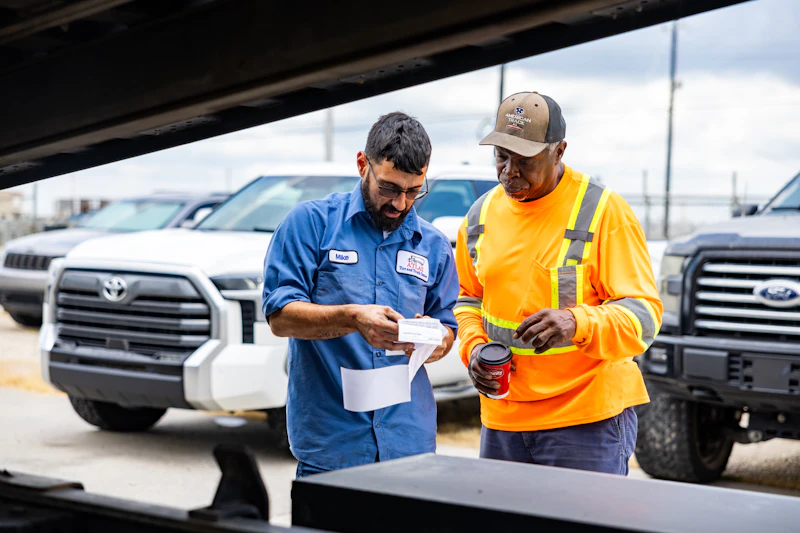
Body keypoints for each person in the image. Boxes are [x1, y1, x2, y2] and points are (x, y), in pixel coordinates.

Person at [454, 91, 662, 475]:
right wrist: (474, 348)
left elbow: (644, 316)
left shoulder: (603, 211)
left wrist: (577, 323)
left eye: (525, 160)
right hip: (504, 420)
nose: (509, 171)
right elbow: (468, 299)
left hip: (585, 421)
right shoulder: (480, 214)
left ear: (559, 150)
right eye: (501, 156)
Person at [262, 112, 459, 478]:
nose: (400, 204)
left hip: (409, 443)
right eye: (388, 188)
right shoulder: (311, 224)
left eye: (414, 191)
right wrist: (351, 318)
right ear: (361, 165)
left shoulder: (434, 246)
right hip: (332, 441)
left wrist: (432, 338)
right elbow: (280, 316)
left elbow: (448, 331)